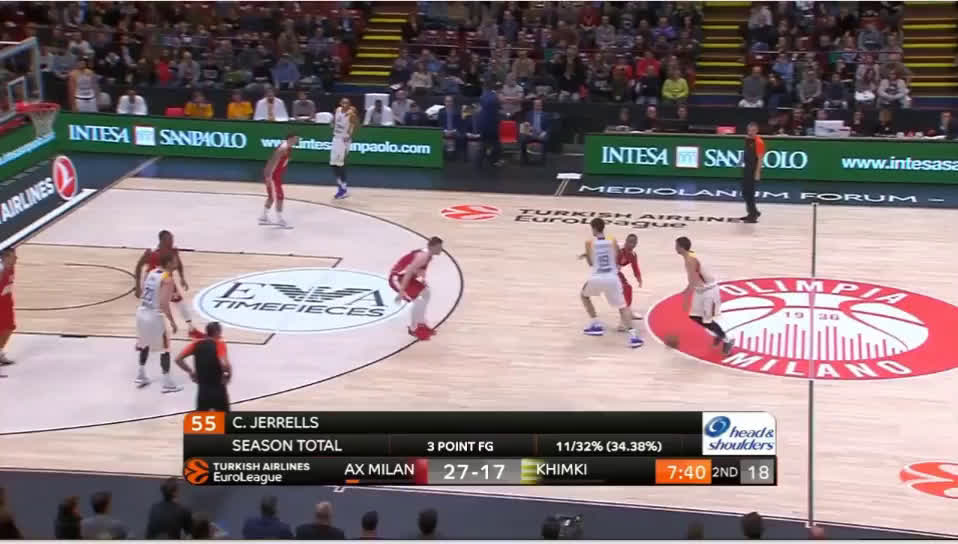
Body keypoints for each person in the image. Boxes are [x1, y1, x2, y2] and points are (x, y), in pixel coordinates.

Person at [579, 218, 643, 348]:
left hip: (597, 277)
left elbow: (591, 263)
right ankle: (634, 337)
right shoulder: (612, 240)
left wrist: (587, 256)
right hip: (613, 278)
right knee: (623, 307)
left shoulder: (589, 242)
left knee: (584, 296)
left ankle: (596, 324)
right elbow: (616, 256)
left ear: (594, 228)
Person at [135, 231, 203, 340]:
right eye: (170, 239)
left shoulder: (173, 250)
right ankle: (152, 333)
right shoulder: (151, 252)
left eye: (172, 239)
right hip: (154, 283)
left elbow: (179, 264)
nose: (172, 241)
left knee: (180, 303)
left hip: (166, 280)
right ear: (162, 240)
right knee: (154, 309)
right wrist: (138, 286)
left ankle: (191, 329)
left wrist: (182, 278)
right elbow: (139, 266)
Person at [675, 236, 733, 355]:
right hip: (701, 291)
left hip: (709, 292)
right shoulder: (690, 255)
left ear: (681, 247)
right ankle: (719, 334)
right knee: (695, 316)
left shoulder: (690, 260)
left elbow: (693, 280)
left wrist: (686, 298)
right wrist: (687, 290)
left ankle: (727, 340)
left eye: (676, 246)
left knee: (707, 321)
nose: (675, 248)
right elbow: (694, 277)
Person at [134, 253, 182, 392]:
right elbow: (163, 304)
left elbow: (145, 292)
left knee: (144, 344)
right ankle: (167, 383)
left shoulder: (152, 272)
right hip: (154, 316)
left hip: (142, 312)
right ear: (168, 263)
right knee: (165, 349)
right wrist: (172, 322)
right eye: (175, 261)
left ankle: (141, 375)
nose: (177, 263)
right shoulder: (168, 279)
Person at [389, 237, 443, 340]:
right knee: (417, 300)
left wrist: (422, 279)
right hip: (397, 278)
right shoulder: (423, 256)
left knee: (426, 293)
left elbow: (419, 270)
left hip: (407, 277)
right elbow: (408, 272)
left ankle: (421, 323)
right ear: (433, 247)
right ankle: (413, 328)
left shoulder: (428, 256)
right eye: (439, 247)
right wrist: (401, 291)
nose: (441, 249)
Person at [175, 321, 232, 412]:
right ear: (217, 332)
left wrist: (190, 371)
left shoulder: (196, 344)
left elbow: (178, 359)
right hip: (218, 389)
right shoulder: (219, 344)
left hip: (203, 391)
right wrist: (228, 375)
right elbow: (224, 364)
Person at [260, 133, 299, 228]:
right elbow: (272, 161)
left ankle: (263, 217)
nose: (297, 140)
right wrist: (268, 176)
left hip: (276, 176)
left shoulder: (288, 148)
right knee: (280, 197)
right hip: (273, 176)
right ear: (290, 139)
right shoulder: (283, 148)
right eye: (296, 139)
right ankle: (279, 219)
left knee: (271, 197)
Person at [331, 97, 359, 200]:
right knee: (333, 164)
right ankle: (341, 186)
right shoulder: (337, 110)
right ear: (340, 103)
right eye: (343, 102)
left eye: (347, 103)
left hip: (344, 140)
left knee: (340, 164)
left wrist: (350, 134)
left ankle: (343, 189)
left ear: (349, 104)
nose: (344, 104)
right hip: (336, 138)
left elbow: (357, 125)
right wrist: (333, 123)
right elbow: (334, 121)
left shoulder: (351, 114)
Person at [617, 234, 643, 324]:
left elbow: (635, 267)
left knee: (627, 288)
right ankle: (624, 317)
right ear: (626, 241)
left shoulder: (632, 255)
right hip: (607, 271)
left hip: (615, 272)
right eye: (630, 242)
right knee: (624, 289)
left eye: (634, 243)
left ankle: (628, 312)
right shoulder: (617, 248)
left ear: (636, 244)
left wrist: (639, 278)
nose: (632, 244)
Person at [741, 122, 764, 223]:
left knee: (749, 192)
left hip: (753, 170)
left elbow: (760, 159)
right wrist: (741, 161)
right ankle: (753, 211)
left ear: (757, 131)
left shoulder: (759, 142)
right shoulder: (747, 139)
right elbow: (746, 152)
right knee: (745, 192)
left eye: (753, 130)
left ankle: (753, 214)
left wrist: (757, 172)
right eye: (749, 130)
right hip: (747, 168)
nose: (751, 132)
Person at [519, 98, 551, 164]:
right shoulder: (528, 114)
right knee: (523, 139)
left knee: (546, 139)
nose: (537, 106)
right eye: (536, 105)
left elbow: (549, 127)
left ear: (541, 106)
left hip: (541, 133)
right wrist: (527, 127)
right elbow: (525, 125)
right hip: (531, 134)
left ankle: (543, 159)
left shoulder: (546, 115)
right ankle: (524, 158)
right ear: (533, 105)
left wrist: (544, 133)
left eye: (539, 105)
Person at [0, 248, 16, 371]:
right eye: (13, 256)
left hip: (7, 303)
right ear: (5, 258)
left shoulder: (11, 267)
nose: (16, 258)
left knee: (9, 328)